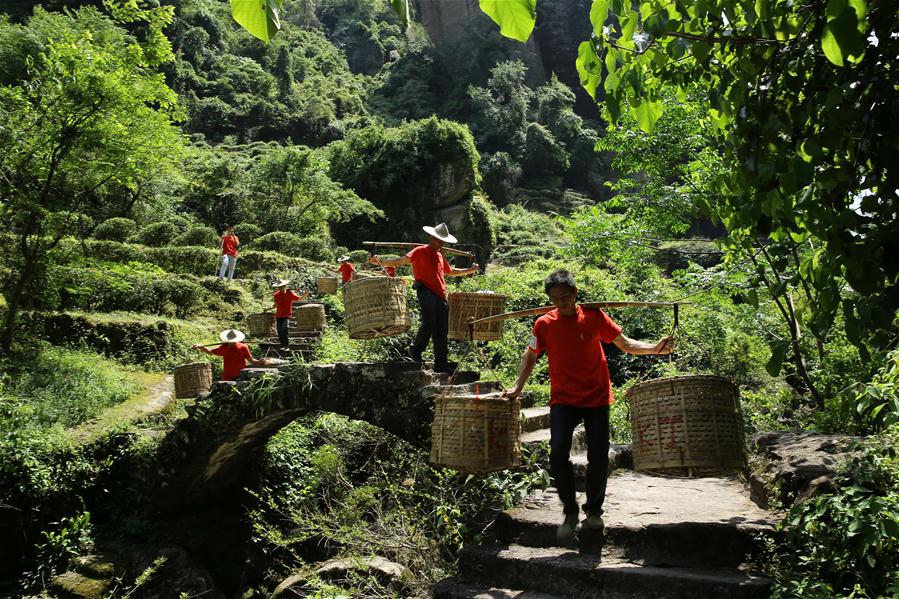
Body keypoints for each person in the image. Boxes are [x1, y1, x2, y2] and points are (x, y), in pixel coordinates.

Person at [503, 269, 674, 542]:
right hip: (563, 399)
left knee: (597, 455)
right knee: (557, 453)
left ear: (575, 293)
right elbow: (531, 354)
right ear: (550, 299)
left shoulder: (594, 317)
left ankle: (593, 512)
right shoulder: (544, 324)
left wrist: (655, 348)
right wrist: (518, 387)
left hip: (596, 398)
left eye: (565, 297)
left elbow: (625, 344)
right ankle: (570, 510)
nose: (561, 303)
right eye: (555, 299)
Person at [368, 223, 478, 373]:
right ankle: (415, 349)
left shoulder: (440, 256)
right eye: (439, 240)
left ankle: (441, 362)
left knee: (442, 329)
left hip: (440, 295)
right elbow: (400, 261)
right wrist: (379, 261)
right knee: (429, 323)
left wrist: (469, 270)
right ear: (431, 238)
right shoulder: (419, 251)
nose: (442, 243)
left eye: (443, 240)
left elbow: (450, 271)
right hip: (426, 291)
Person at [192, 329, 265, 381]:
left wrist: (259, 362)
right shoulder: (224, 348)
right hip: (228, 376)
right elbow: (210, 352)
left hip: (241, 375)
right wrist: (201, 347)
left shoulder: (242, 347)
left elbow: (251, 360)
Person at [271, 279, 309, 350]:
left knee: (284, 329)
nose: (281, 288)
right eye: (279, 287)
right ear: (278, 288)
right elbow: (275, 304)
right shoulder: (276, 295)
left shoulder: (289, 293)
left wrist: (305, 294)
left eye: (282, 287)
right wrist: (273, 306)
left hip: (286, 315)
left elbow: (299, 299)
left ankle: (286, 345)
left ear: (285, 286)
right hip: (278, 315)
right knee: (279, 331)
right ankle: (283, 345)